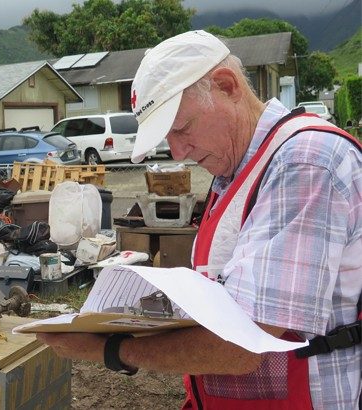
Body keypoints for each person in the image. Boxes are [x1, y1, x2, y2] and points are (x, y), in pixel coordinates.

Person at [36, 30, 361, 409]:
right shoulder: (238, 170)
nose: (178, 151)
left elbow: (243, 345)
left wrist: (110, 349)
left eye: (183, 128)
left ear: (226, 86)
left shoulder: (305, 162)